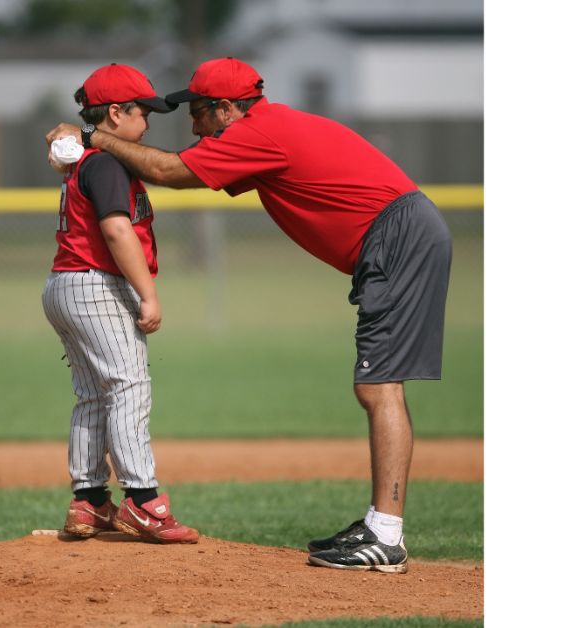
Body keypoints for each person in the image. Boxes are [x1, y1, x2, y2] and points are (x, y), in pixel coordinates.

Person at [45, 57, 452, 572]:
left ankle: (385, 534)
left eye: (199, 112)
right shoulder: (268, 128)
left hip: (398, 238)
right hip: (398, 236)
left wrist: (93, 139)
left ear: (229, 109)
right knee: (377, 384)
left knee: (379, 385)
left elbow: (171, 169)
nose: (193, 125)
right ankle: (380, 525)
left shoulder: (259, 132)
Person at [42, 63, 199, 545]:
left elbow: (64, 148)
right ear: (115, 113)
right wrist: (148, 294)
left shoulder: (88, 160)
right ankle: (142, 501)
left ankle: (89, 501)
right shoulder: (107, 163)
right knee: (129, 386)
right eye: (142, 112)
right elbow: (116, 229)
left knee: (93, 394)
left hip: (64, 284)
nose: (148, 122)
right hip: (96, 284)